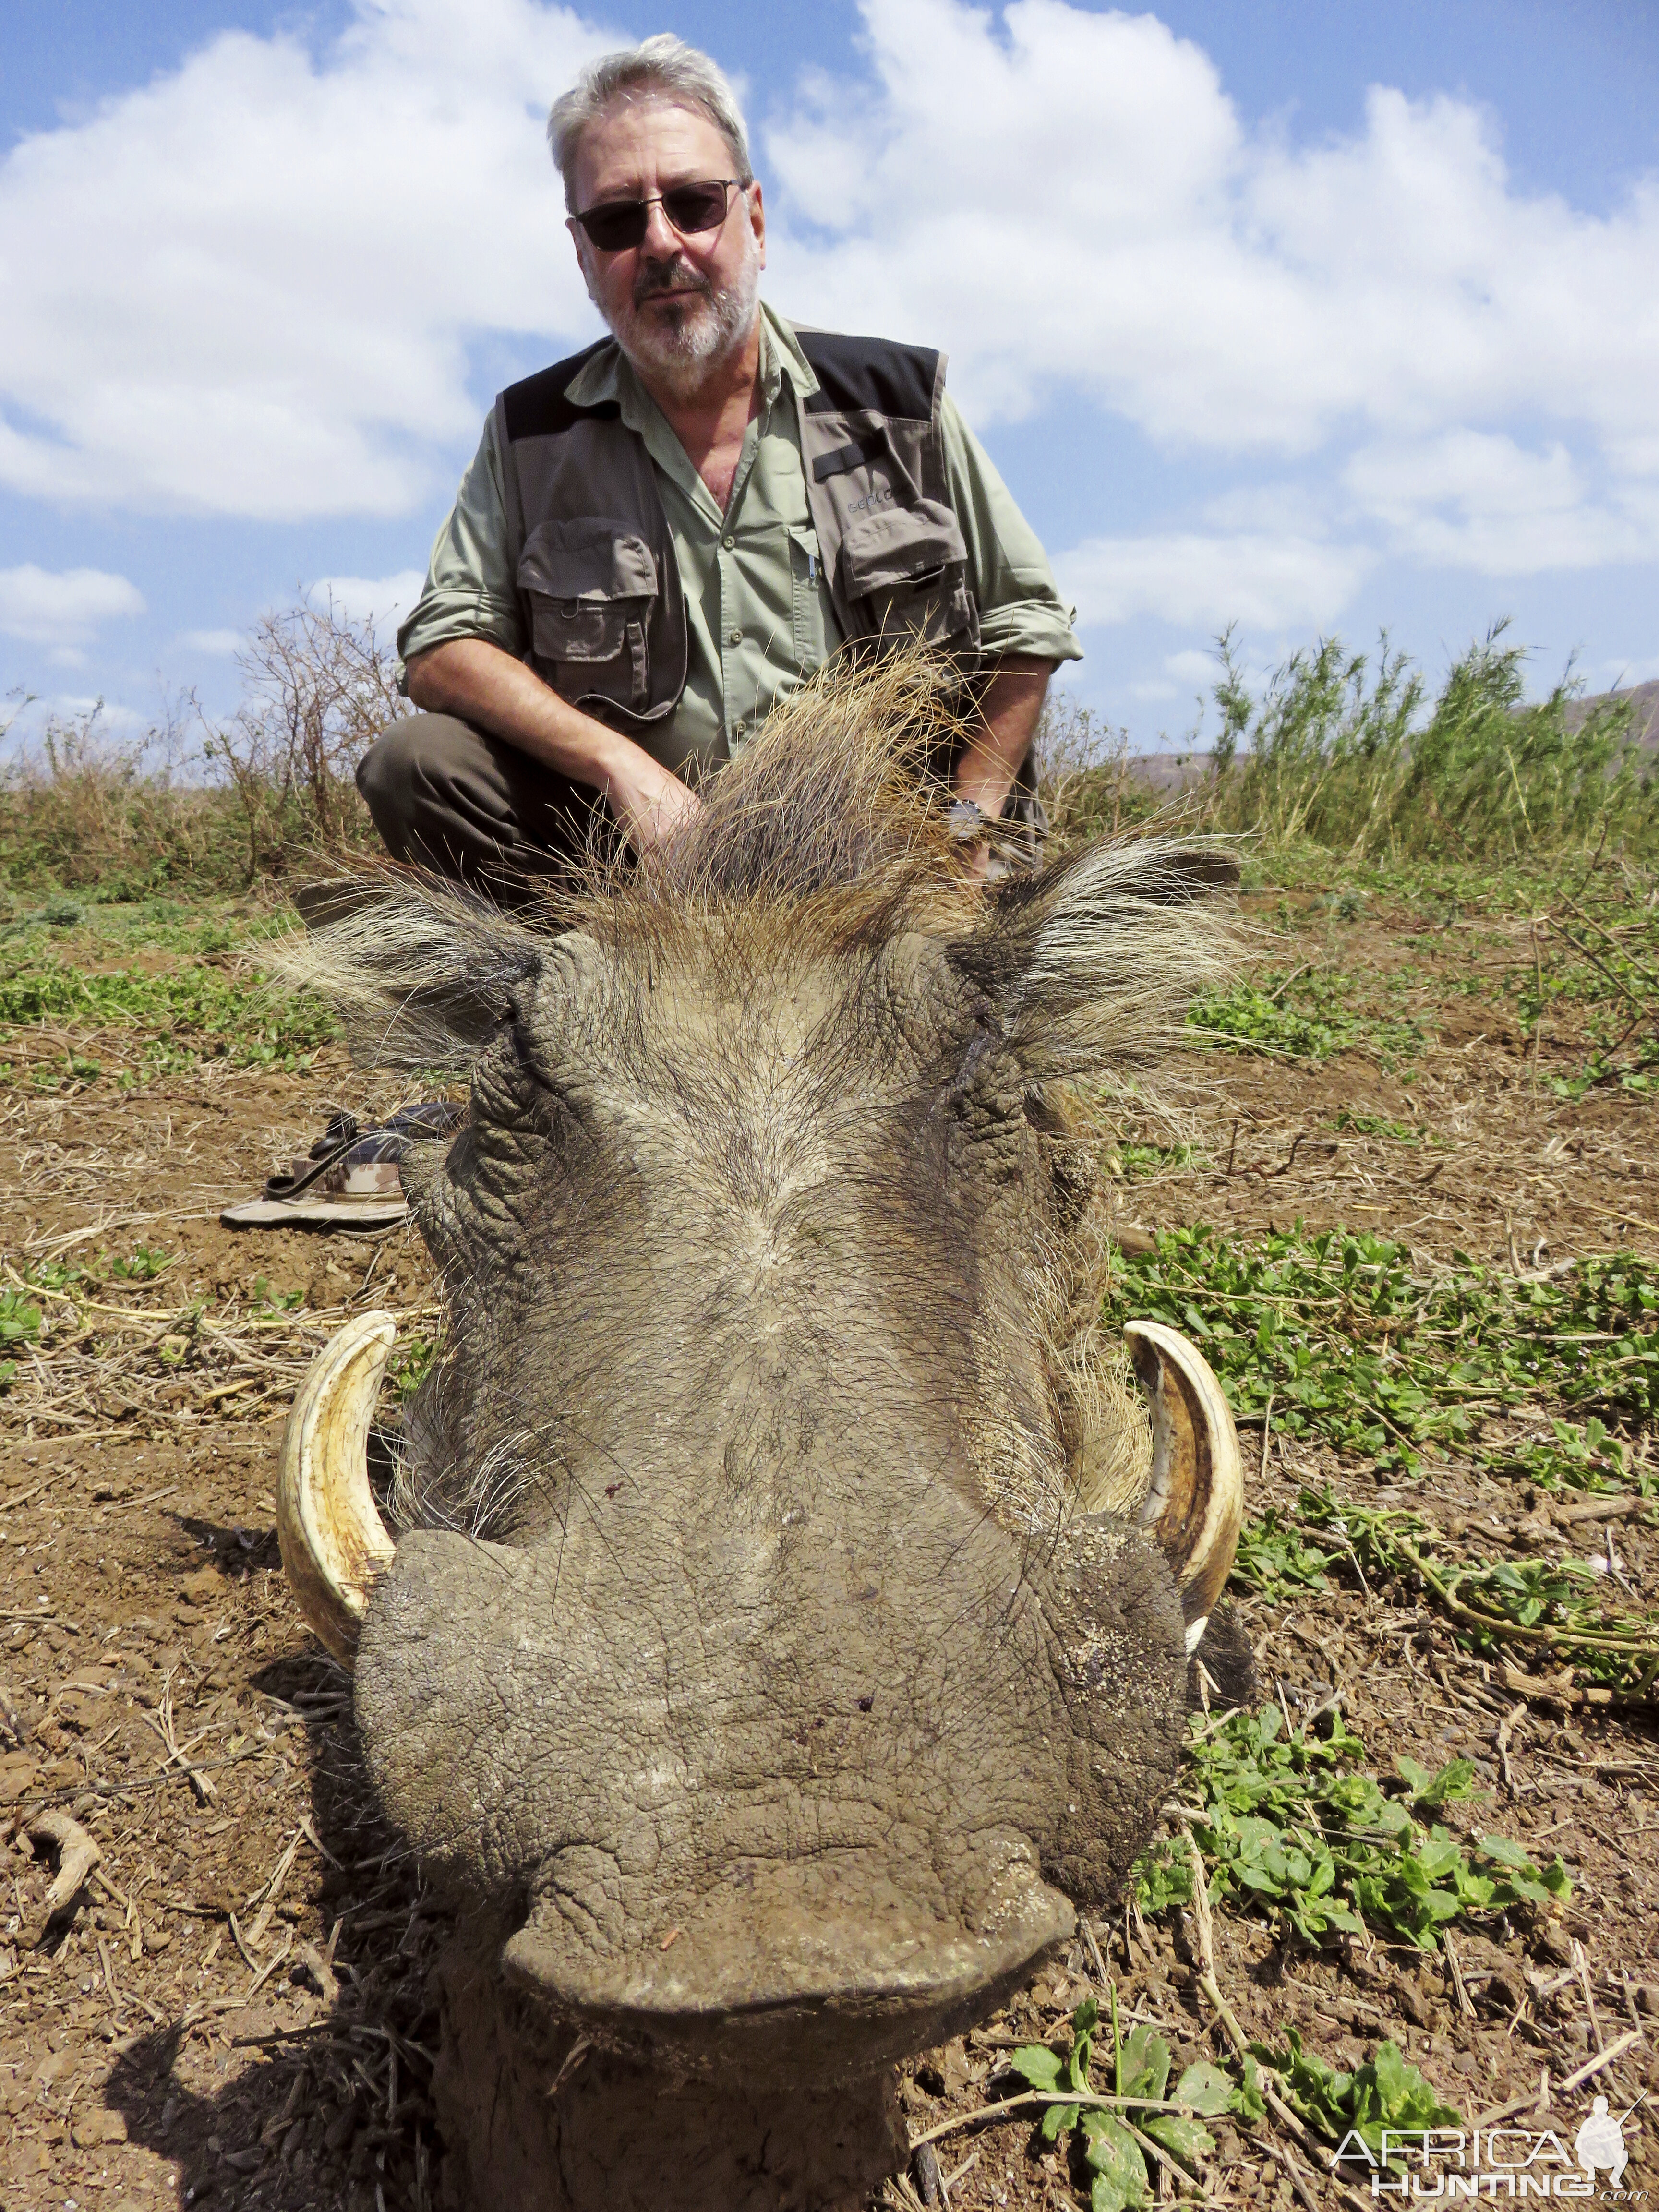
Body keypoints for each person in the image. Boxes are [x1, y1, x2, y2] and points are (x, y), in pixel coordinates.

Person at [356, 35, 1082, 900]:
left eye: (695, 203)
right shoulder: (531, 434)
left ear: (757, 220)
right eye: (618, 220)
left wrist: (967, 829)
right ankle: (575, 997)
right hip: (644, 860)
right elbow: (441, 646)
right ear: (583, 253)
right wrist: (623, 769)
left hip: (893, 860)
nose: (661, 242)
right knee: (416, 763)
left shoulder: (900, 401)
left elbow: (1024, 623)